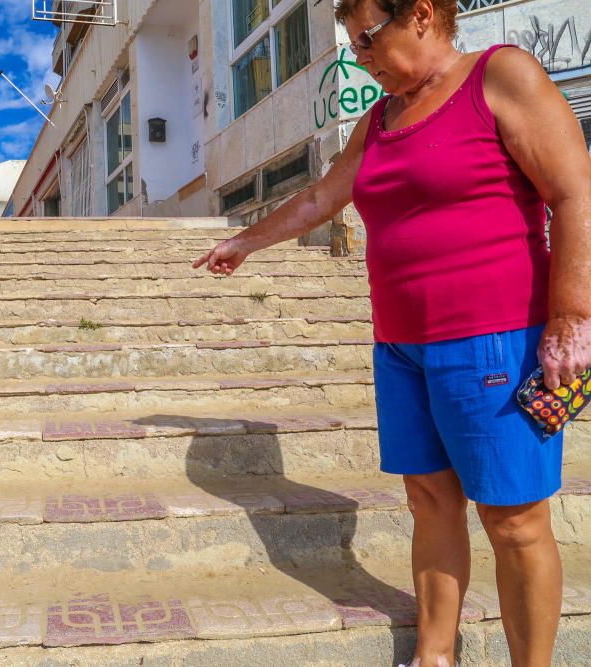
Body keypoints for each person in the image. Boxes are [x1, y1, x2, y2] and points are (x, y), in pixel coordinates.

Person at [192, 0, 591, 665]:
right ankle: (435, 655)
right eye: (353, 44)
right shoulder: (381, 118)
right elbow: (323, 196)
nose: (360, 57)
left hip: (495, 341)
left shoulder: (500, 76)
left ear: (425, 15)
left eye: (367, 39)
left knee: (513, 518)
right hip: (402, 347)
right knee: (429, 499)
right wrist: (246, 240)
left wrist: (572, 315)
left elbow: (575, 189)